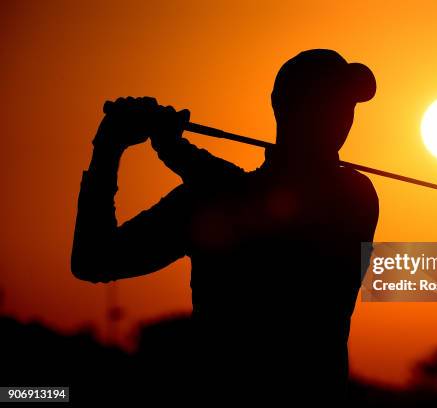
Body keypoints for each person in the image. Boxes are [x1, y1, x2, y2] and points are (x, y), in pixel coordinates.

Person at [71, 49, 379, 403]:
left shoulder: (354, 195)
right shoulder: (206, 197)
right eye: (330, 104)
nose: (343, 118)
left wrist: (173, 148)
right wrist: (108, 149)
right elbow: (93, 260)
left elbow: (256, 202)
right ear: (287, 107)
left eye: (348, 107)